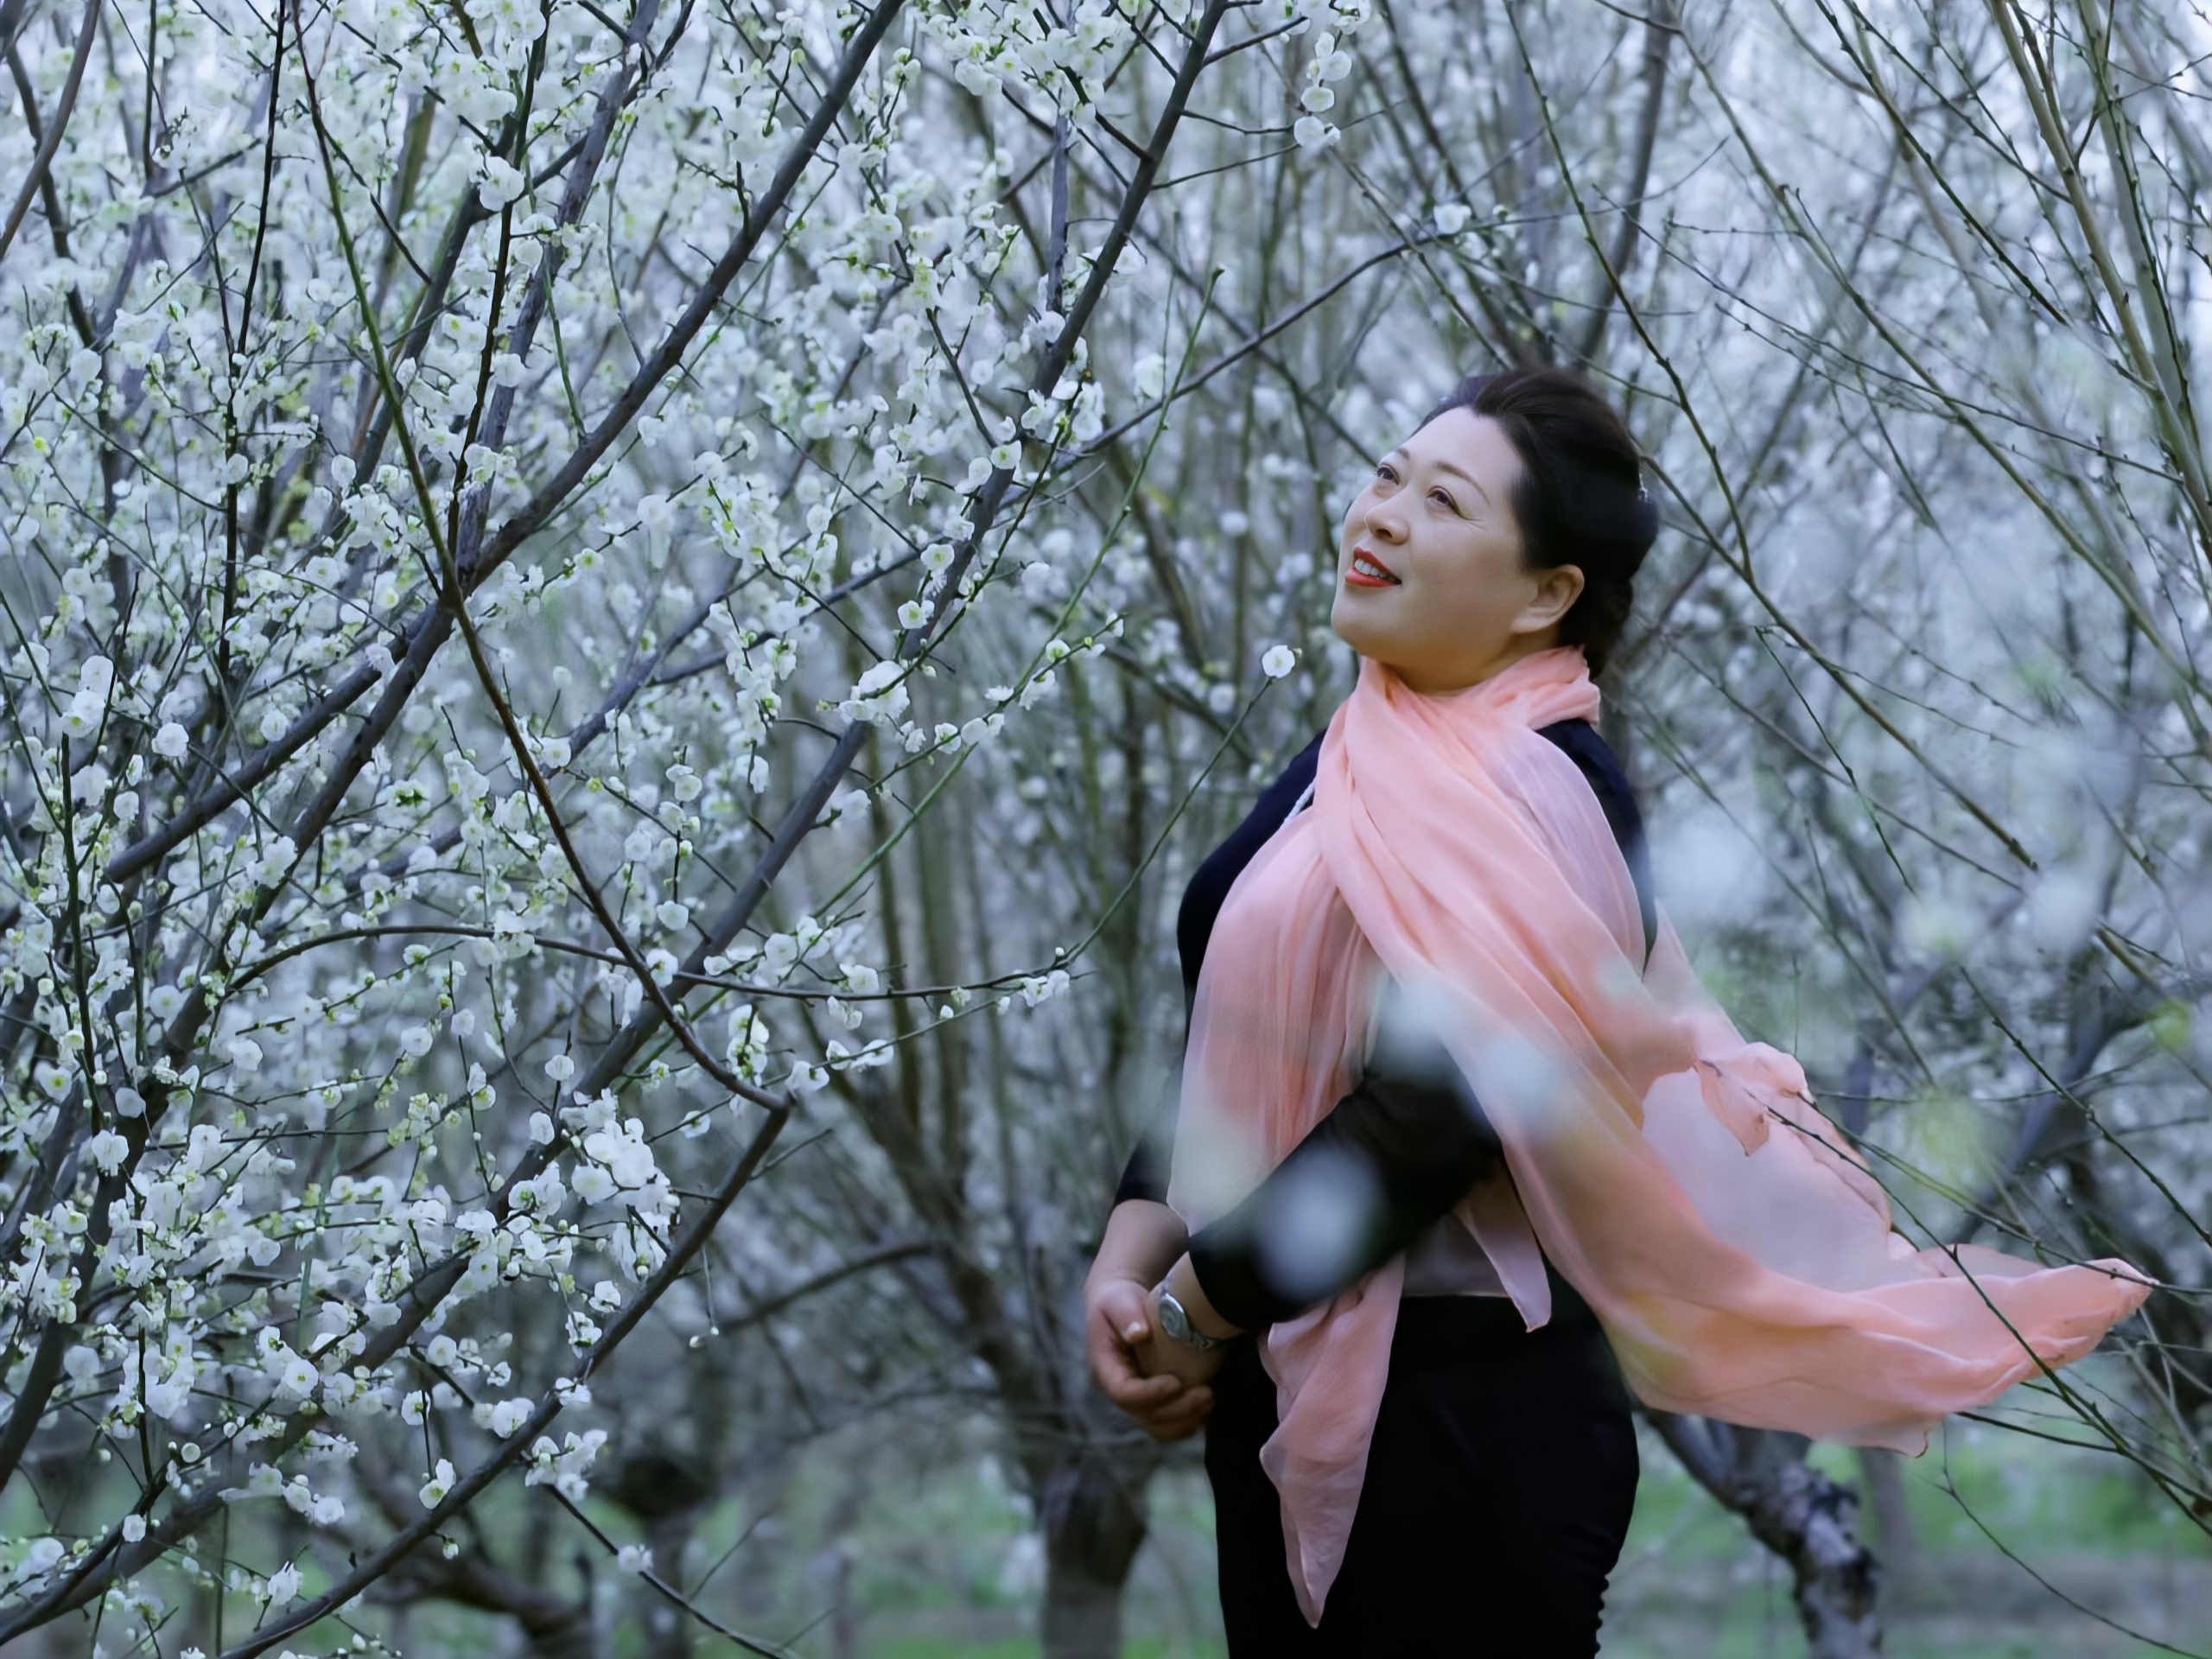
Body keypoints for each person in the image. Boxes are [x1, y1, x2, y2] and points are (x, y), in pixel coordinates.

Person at [1082, 367, 2151, 1656]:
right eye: (1387, 477)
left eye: (1444, 501)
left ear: (1546, 595)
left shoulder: (1550, 789)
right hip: (1270, 1364)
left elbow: (1443, 1107)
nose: (1383, 514)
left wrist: (1197, 1305)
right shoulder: (1345, 757)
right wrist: (1133, 1255)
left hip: (1461, 1418)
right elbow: (1236, 1038)